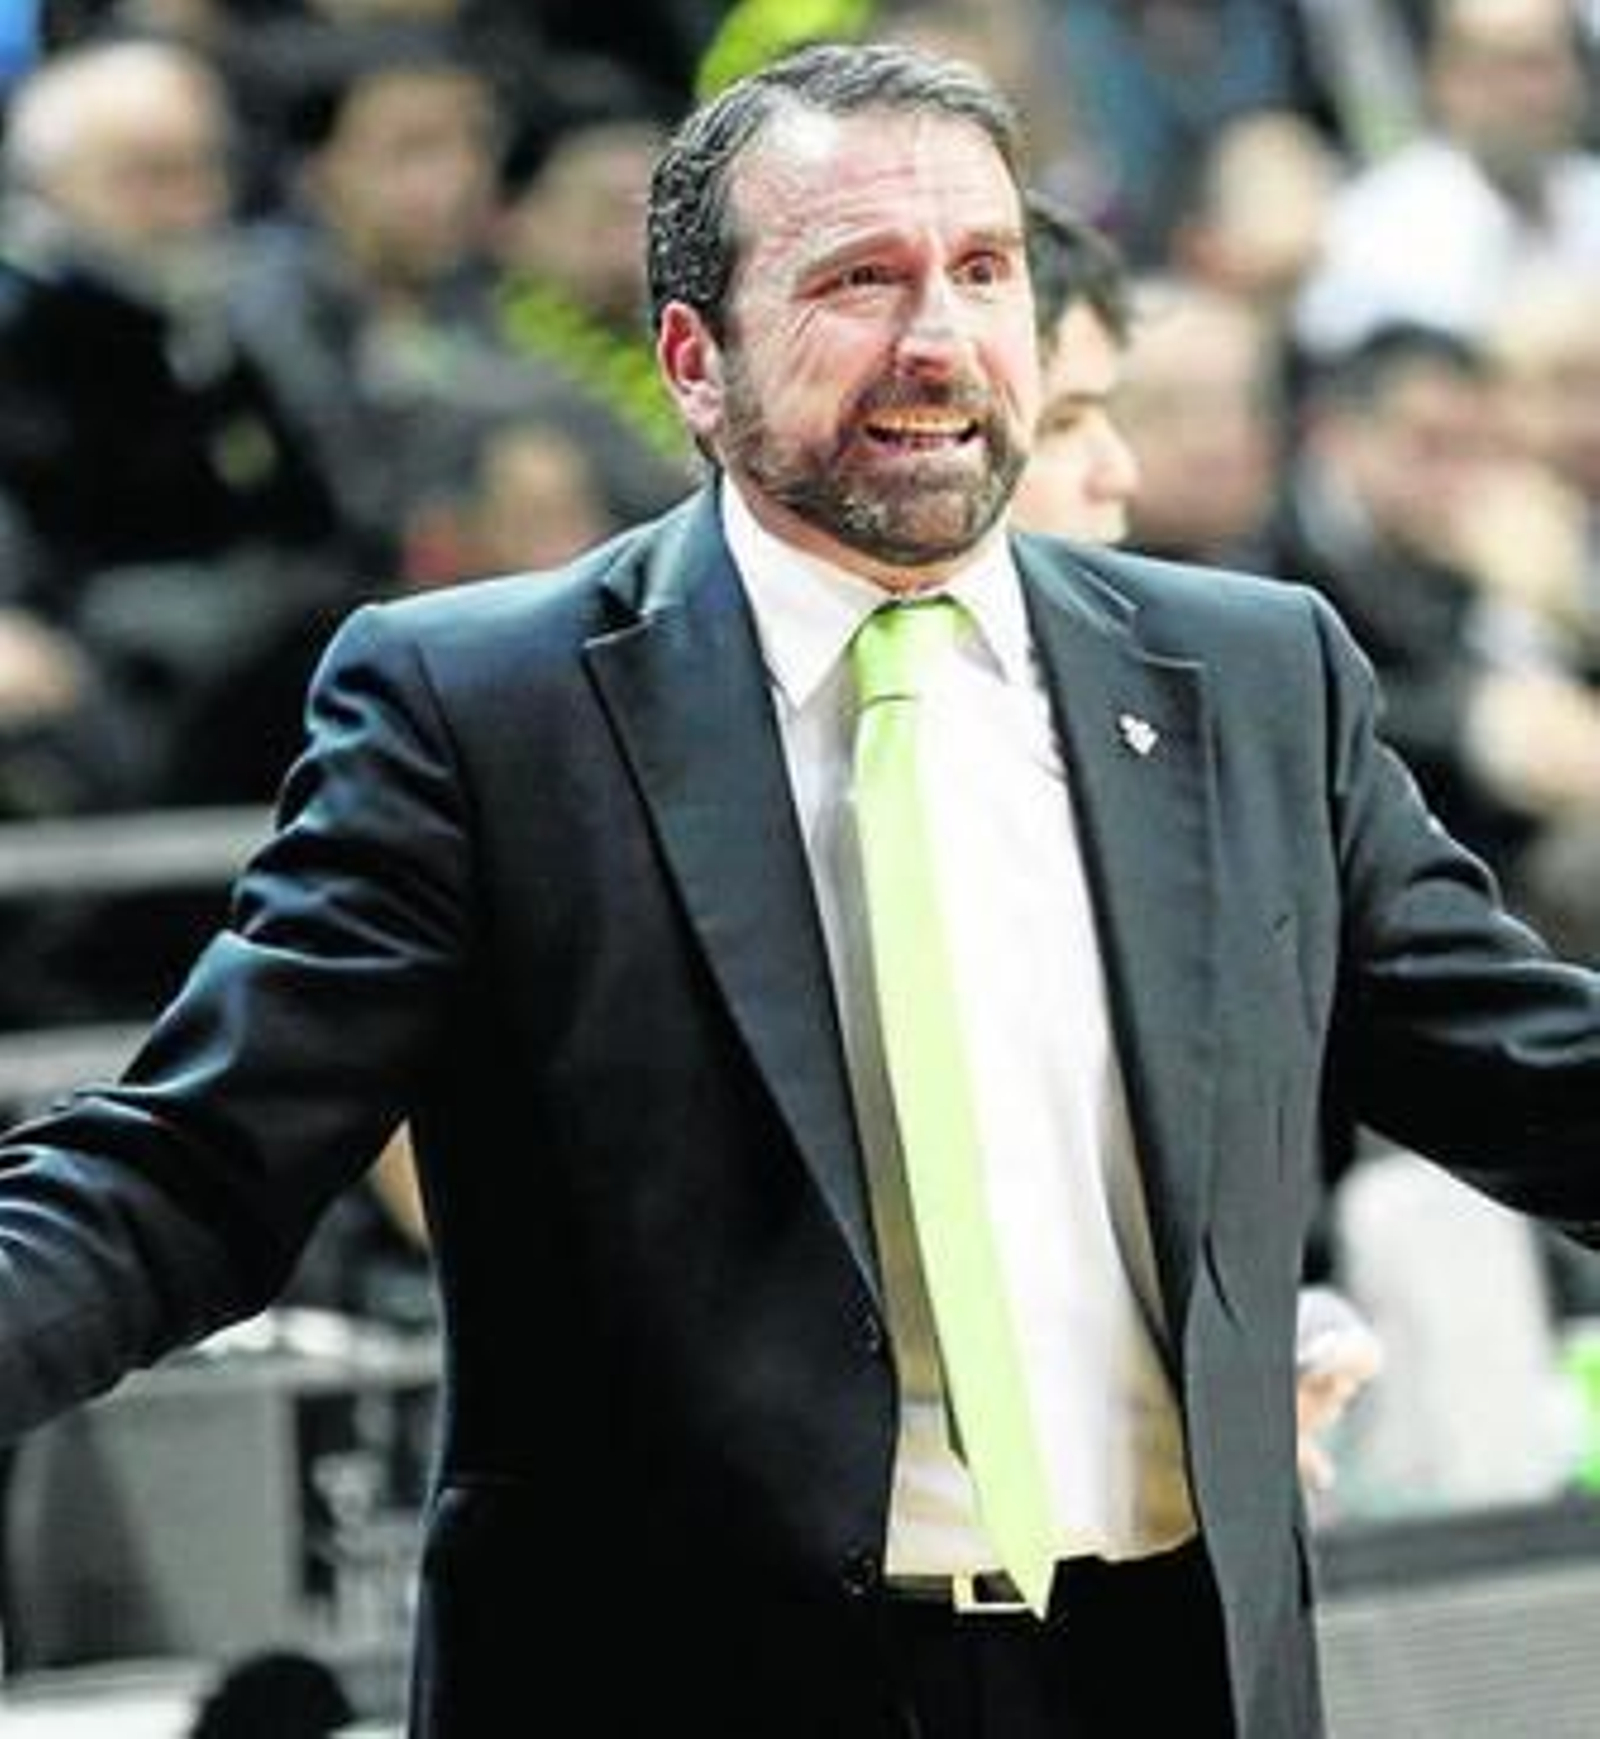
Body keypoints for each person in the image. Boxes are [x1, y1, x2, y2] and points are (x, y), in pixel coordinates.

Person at [5, 38, 1600, 1739]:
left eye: (982, 270)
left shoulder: (1252, 673)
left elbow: (1525, 1071)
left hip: (1161, 1676)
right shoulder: (488, 709)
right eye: (859, 280)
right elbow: (202, 1163)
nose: (939, 338)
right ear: (695, 361)